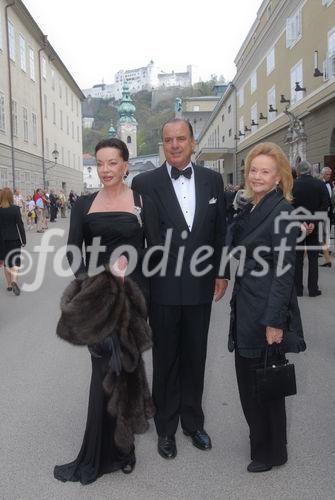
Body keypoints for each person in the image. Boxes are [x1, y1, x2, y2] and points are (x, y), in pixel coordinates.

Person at [54, 138, 159, 485]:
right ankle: (99, 450)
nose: (105, 170)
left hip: (131, 300)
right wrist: (95, 279)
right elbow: (73, 252)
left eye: (112, 163)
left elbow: (155, 251)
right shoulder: (84, 204)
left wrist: (133, 260)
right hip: (99, 304)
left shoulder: (142, 202)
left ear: (126, 165)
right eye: (100, 163)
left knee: (128, 371)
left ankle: (124, 450)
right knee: (103, 373)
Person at [132, 118, 229, 459]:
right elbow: (135, 237)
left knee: (196, 357)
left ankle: (193, 422)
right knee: (166, 359)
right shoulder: (144, 182)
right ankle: (166, 429)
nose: (175, 145)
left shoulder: (213, 181)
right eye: (169, 140)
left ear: (192, 142)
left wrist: (222, 271)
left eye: (181, 139)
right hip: (163, 288)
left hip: (201, 286)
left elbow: (220, 232)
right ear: (163, 144)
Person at [227, 142, 306, 473]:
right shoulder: (253, 207)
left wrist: (275, 322)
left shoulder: (283, 213)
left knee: (264, 384)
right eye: (253, 170)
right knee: (250, 381)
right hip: (246, 307)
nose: (257, 176)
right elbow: (232, 239)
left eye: (265, 171)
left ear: (279, 178)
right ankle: (263, 442)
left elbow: (285, 273)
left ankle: (271, 452)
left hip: (265, 313)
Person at [292, 161, 329, 296]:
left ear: (298, 171)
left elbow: (289, 206)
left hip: (297, 226)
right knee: (313, 259)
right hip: (315, 226)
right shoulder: (319, 184)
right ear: (310, 171)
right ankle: (313, 289)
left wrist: (302, 222)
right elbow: (325, 204)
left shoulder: (293, 185)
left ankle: (298, 289)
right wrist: (313, 221)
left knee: (298, 258)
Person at [0, 187, 26, 295]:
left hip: (2, 240)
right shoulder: (15, 209)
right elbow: (20, 225)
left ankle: (9, 284)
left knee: (6, 262)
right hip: (14, 239)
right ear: (11, 197)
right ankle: (14, 280)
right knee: (15, 261)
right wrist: (23, 239)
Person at [319, 166, 334, 267]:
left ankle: (325, 253)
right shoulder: (319, 184)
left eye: (330, 174)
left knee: (325, 233)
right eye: (327, 174)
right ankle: (325, 253)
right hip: (321, 212)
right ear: (323, 174)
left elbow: (332, 199)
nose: (329, 176)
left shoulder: (331, 185)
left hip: (329, 212)